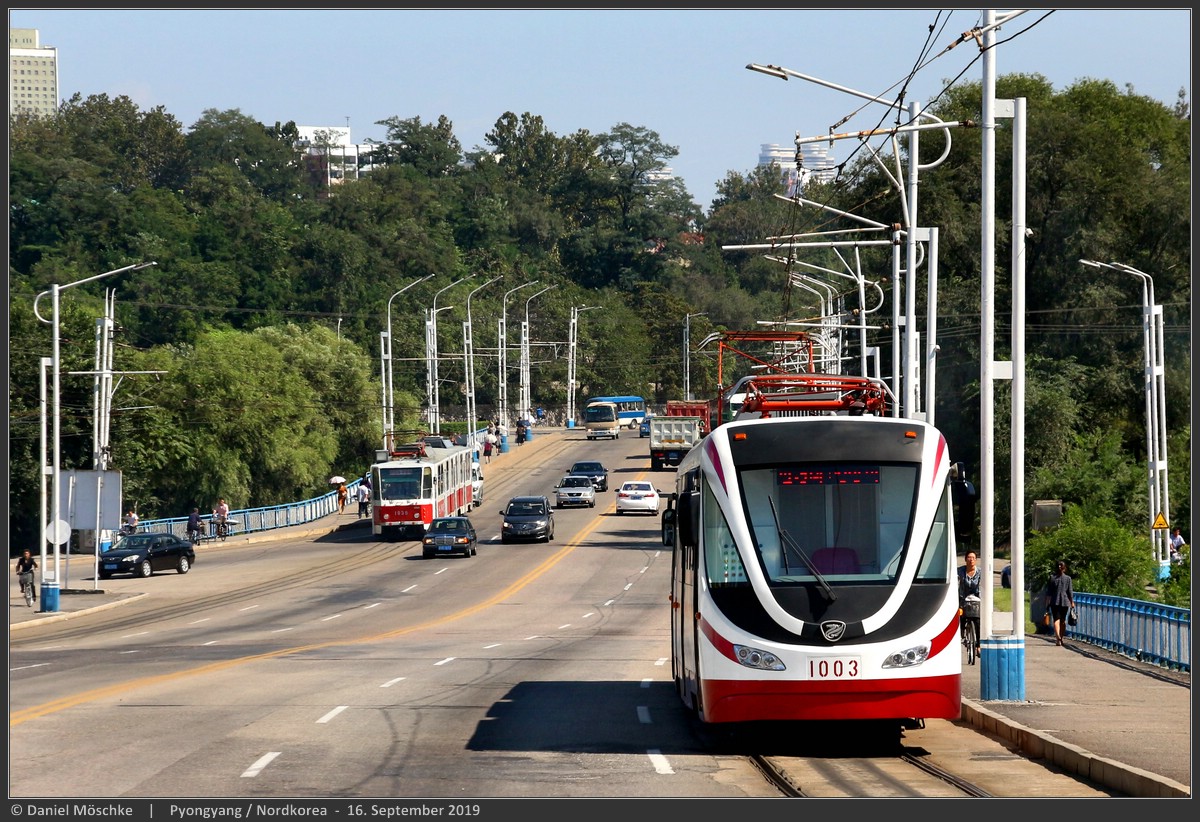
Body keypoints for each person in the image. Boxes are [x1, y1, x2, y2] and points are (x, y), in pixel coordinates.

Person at [1044, 559, 1076, 647]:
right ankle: (1060, 638)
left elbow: (1049, 592)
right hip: (1065, 602)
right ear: (1064, 568)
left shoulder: (1052, 578)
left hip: (1055, 601)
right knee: (1063, 620)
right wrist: (1072, 602)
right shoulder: (1068, 578)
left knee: (1056, 620)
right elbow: (1070, 592)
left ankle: (1058, 637)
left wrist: (1047, 603)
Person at [957, 550, 982, 654]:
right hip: (963, 598)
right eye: (969, 558)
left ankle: (978, 645)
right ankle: (962, 634)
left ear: (976, 560)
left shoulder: (980, 572)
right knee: (961, 615)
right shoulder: (960, 571)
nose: (971, 560)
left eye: (973, 558)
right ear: (965, 559)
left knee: (977, 621)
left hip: (976, 599)